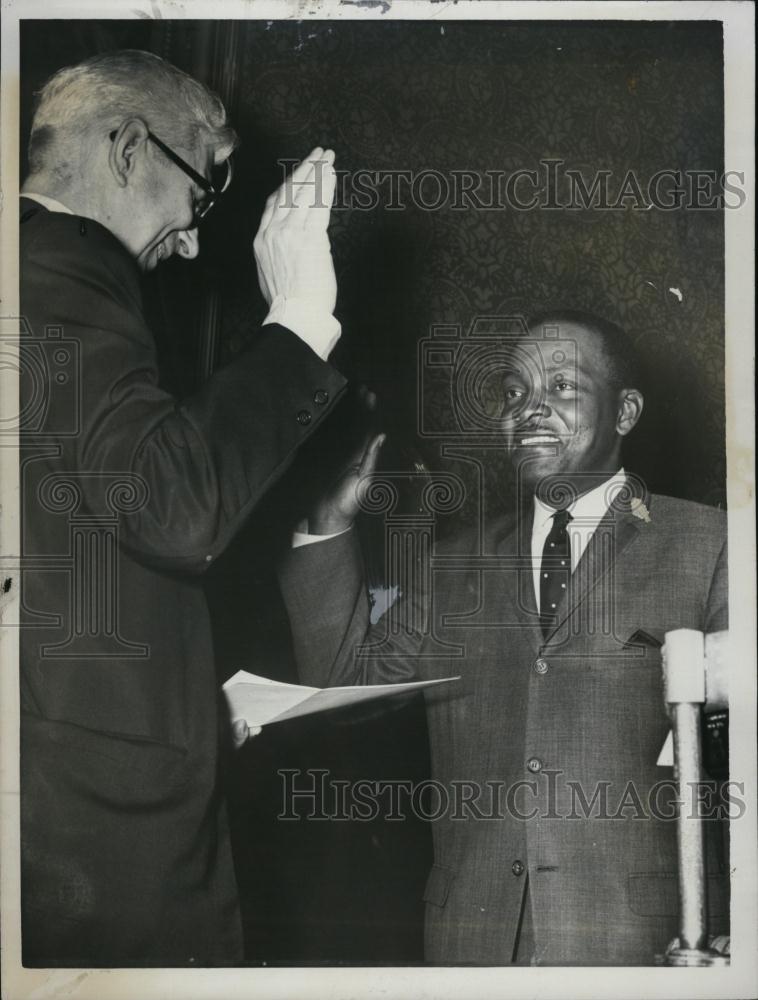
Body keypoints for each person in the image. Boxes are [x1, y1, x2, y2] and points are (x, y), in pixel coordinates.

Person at [20, 49, 345, 966]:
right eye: (200, 196)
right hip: (88, 823)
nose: (195, 242)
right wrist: (301, 319)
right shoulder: (62, 264)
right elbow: (168, 503)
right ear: (129, 148)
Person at [278, 310, 729, 965]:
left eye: (562, 388)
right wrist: (327, 518)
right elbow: (337, 691)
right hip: (474, 945)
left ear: (626, 411)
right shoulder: (451, 564)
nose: (529, 410)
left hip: (645, 949)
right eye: (514, 393)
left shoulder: (712, 545)